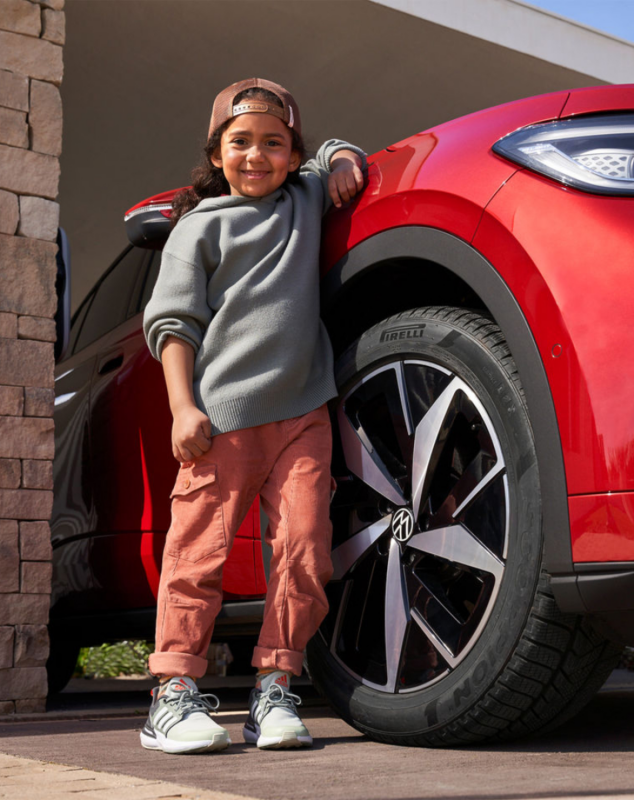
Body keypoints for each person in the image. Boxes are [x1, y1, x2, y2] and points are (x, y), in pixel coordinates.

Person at [139, 78, 366, 755]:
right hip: (221, 418)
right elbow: (174, 324)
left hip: (303, 412)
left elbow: (337, 155)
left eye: (274, 142)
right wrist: (183, 408)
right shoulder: (199, 229)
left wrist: (345, 155)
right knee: (197, 556)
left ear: (292, 155)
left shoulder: (304, 198)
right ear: (216, 155)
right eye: (240, 143)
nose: (256, 155)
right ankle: (173, 694)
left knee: (304, 549)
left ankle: (275, 686)